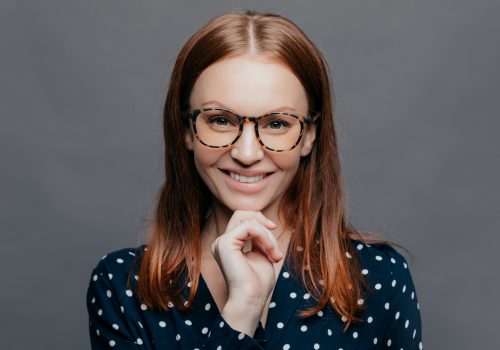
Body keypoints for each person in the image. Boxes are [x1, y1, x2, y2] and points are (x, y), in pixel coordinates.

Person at [87, 10, 422, 350]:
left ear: (309, 136)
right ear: (187, 129)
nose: (247, 153)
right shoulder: (123, 286)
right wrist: (242, 312)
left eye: (277, 123)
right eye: (220, 120)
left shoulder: (378, 279)